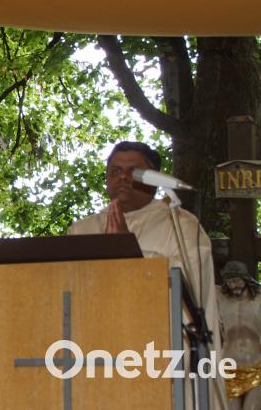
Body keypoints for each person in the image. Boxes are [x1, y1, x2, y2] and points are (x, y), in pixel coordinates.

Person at [68, 141, 225, 407]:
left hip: (158, 358)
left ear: (154, 179)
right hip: (92, 353)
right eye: (115, 171)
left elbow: (192, 291)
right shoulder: (81, 231)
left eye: (133, 171)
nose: (123, 178)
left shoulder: (181, 225)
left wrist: (127, 253)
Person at [218, 261, 261, 409]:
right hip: (229, 367)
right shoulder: (221, 298)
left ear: (246, 279)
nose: (233, 286)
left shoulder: (259, 299)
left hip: (255, 366)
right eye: (229, 282)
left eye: (236, 281)